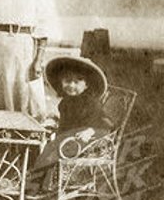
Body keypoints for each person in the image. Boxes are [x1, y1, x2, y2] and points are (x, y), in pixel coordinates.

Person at [29, 56, 113, 192]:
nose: (71, 85)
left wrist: (90, 130)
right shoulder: (66, 103)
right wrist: (55, 121)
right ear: (61, 82)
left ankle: (40, 186)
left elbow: (105, 122)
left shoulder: (91, 103)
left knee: (51, 154)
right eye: (67, 80)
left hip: (86, 142)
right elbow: (66, 122)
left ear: (86, 84)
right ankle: (38, 183)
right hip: (67, 138)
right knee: (46, 150)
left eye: (77, 81)